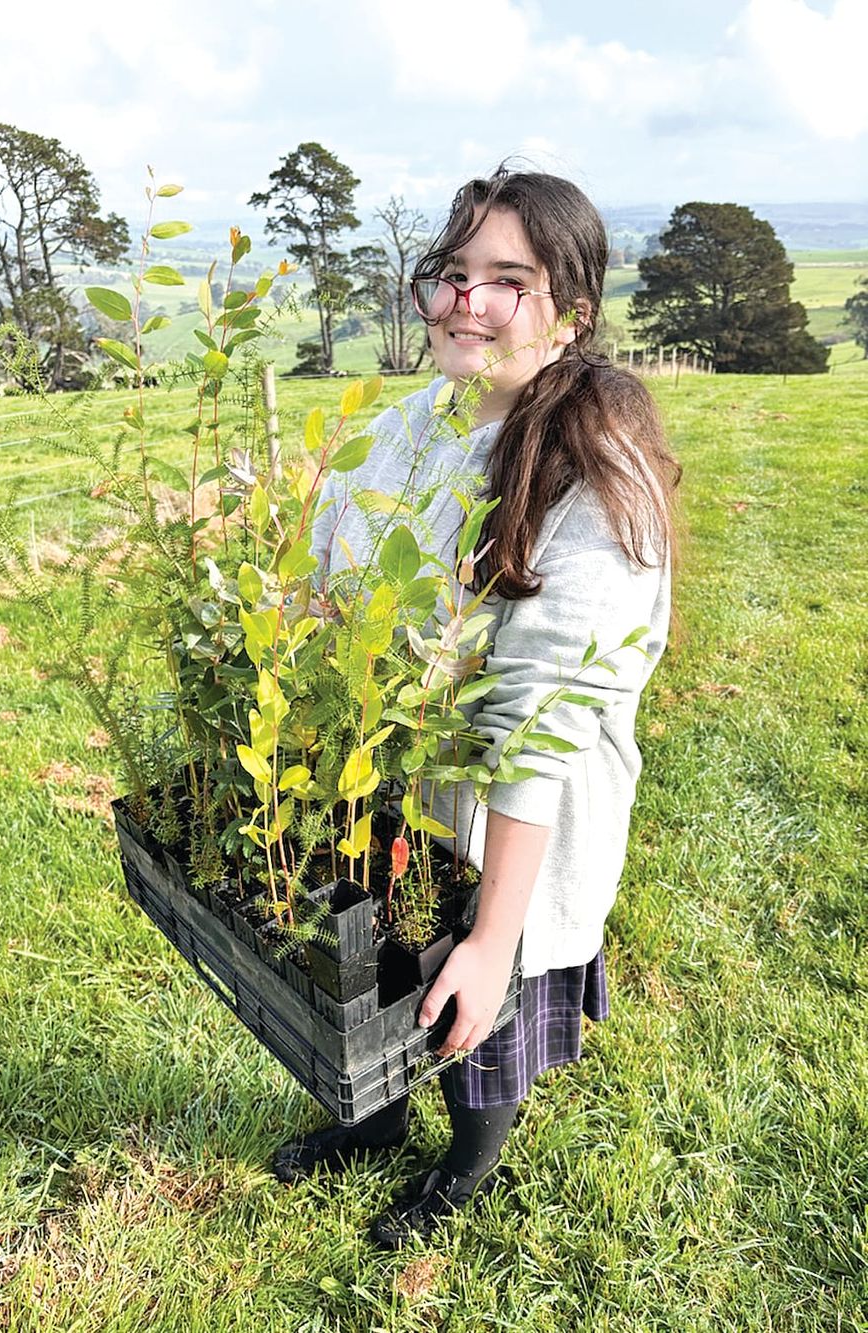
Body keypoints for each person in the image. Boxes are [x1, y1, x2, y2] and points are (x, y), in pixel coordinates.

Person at [278, 166, 681, 1249]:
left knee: (474, 1017)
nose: (465, 302)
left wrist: (495, 934)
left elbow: (531, 734)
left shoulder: (596, 484)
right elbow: (323, 571)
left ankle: (465, 1164)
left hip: (505, 829)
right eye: (453, 273)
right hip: (384, 793)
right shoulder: (407, 427)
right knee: (374, 985)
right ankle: (371, 1122)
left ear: (571, 314)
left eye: (506, 279)